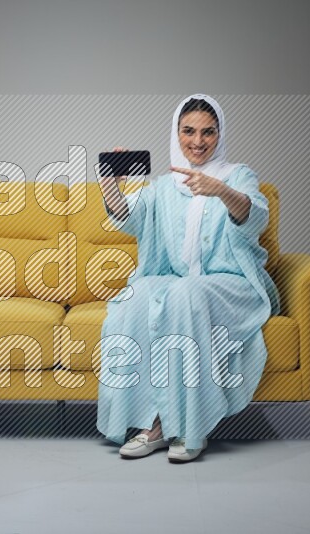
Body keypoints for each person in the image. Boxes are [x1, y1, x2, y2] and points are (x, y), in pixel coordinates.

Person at [96, 94, 280, 462]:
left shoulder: (238, 175)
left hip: (232, 284)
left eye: (208, 132)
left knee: (185, 295)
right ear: (177, 134)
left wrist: (222, 191)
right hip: (182, 281)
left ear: (220, 134)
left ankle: (186, 428)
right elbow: (130, 218)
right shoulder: (165, 186)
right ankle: (152, 422)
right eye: (189, 131)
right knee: (138, 296)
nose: (198, 142)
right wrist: (109, 183)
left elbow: (255, 216)